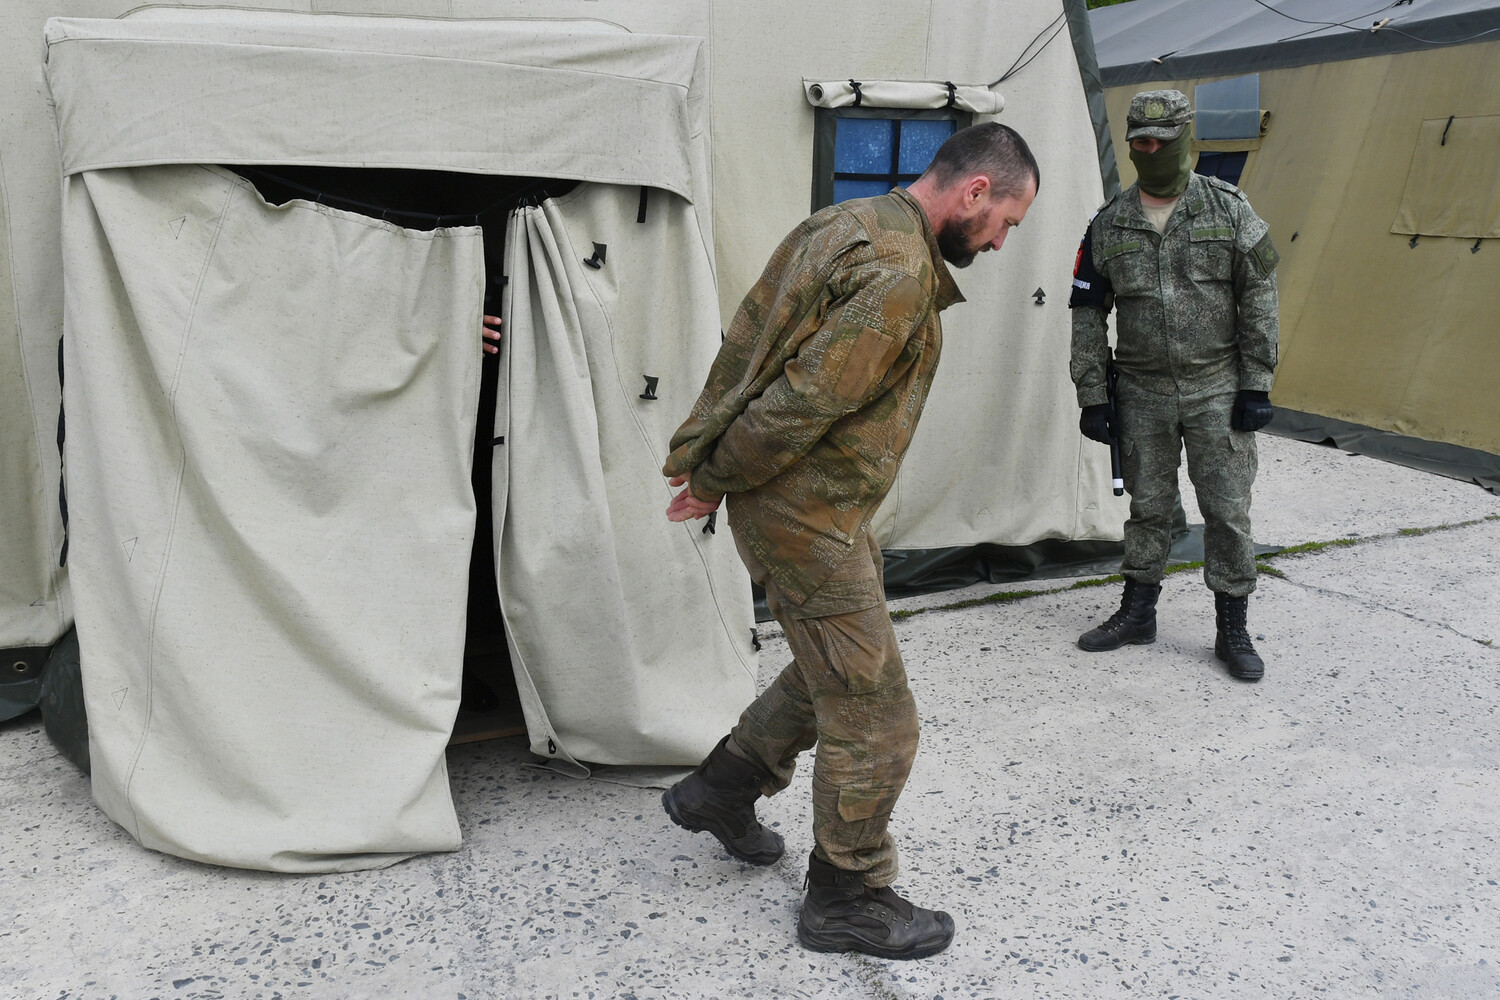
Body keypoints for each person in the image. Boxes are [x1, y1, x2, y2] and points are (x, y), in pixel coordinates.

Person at [657, 123, 1039, 959]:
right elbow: (801, 400)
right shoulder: (901, 272)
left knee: (827, 664)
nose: (1002, 241)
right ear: (975, 192)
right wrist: (714, 480)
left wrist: (721, 467)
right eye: (1006, 220)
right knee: (876, 710)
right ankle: (847, 894)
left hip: (814, 503)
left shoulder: (849, 223)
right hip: (803, 510)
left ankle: (725, 787)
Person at [1068, 90, 1280, 682]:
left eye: (1163, 140)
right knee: (1148, 508)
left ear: (1186, 140)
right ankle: (1138, 613)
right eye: (1141, 142)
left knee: (1227, 511)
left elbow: (1259, 293)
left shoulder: (1229, 210)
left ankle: (1232, 626)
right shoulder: (1110, 223)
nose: (1151, 150)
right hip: (1142, 392)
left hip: (1218, 385)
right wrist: (1093, 395)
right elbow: (1086, 311)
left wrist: (1256, 383)